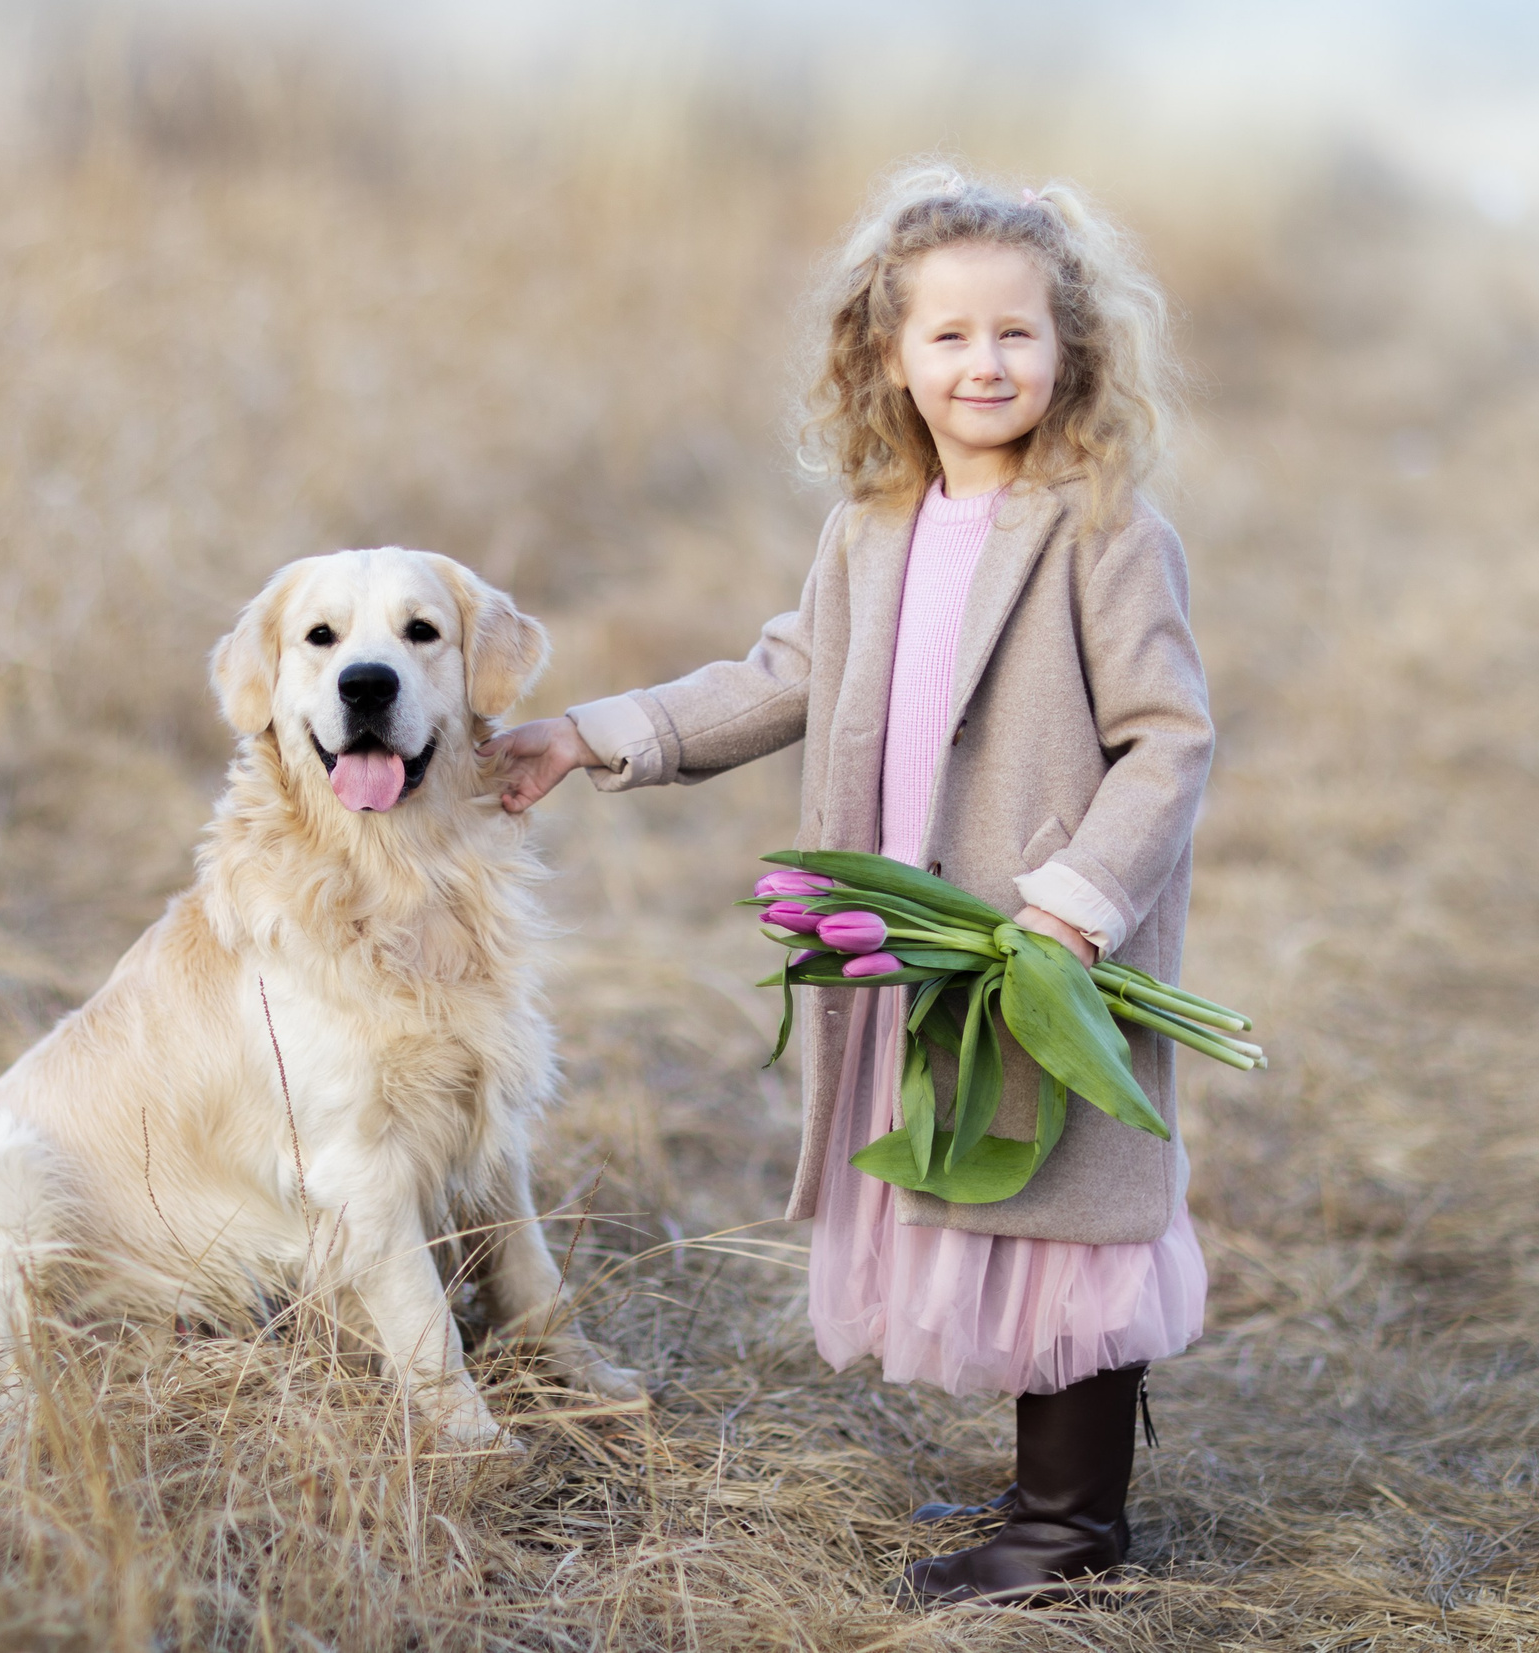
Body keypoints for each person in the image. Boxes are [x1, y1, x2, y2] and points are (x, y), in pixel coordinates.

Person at [481, 165, 1213, 1609]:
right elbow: (784, 678)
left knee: (1071, 1200)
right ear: (888, 353)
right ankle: (1043, 1489)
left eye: (1016, 333)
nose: (984, 362)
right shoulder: (873, 527)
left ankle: (1072, 1525)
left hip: (1040, 940)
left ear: (1072, 348)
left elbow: (1170, 739)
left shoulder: (1103, 526)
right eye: (948, 336)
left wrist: (1075, 900)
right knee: (981, 1176)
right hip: (915, 943)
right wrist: (594, 732)